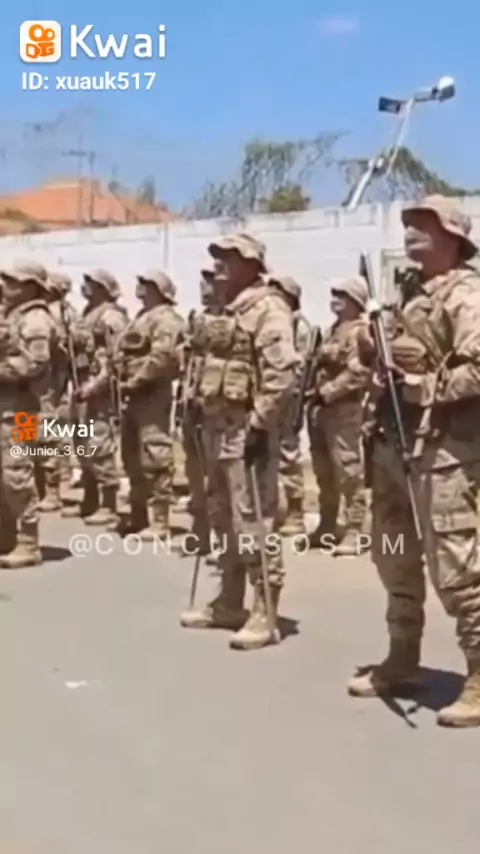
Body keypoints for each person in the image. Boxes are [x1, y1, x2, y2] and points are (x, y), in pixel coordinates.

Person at [348, 194, 480, 727]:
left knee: (458, 569)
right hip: (392, 445)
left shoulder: (466, 294)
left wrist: (424, 386)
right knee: (393, 555)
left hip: (444, 452)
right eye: (408, 223)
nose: (410, 231)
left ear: (453, 235)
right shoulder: (408, 295)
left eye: (424, 224)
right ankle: (402, 658)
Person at [180, 233, 299, 650]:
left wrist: (259, 425)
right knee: (221, 516)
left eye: (231, 257)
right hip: (213, 428)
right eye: (218, 257)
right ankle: (229, 600)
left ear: (253, 265)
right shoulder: (222, 310)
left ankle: (265, 610)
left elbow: (281, 375)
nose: (220, 264)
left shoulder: (268, 309)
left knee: (253, 521)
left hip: (246, 432)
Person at [116, 269, 185, 538]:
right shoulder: (141, 317)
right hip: (132, 394)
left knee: (155, 455)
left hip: (152, 394)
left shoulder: (166, 319)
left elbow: (161, 358)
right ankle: (138, 515)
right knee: (131, 456)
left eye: (146, 283)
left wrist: (135, 380)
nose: (140, 286)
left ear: (159, 289)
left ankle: (160, 521)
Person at [0, 261, 58, 568]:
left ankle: (28, 542)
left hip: (23, 410)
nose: (6, 286)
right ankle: (5, 536)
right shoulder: (10, 314)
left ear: (31, 287)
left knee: (17, 473)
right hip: (5, 405)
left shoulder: (36, 319)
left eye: (14, 281)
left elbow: (36, 363)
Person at [307, 277, 371, 555]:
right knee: (324, 471)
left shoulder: (360, 332)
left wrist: (328, 392)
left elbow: (359, 373)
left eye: (341, 295)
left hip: (344, 410)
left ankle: (355, 530)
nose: (335, 299)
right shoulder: (332, 330)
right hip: (322, 410)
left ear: (355, 300)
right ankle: (327, 524)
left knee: (348, 471)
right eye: (334, 294)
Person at [71, 268, 128, 527]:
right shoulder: (87, 313)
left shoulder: (111, 317)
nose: (85, 286)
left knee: (99, 445)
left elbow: (114, 359)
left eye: (91, 283)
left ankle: (109, 503)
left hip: (101, 391)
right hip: (83, 386)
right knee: (82, 443)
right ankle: (90, 497)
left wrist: (96, 385)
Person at [268, 275, 311, 536]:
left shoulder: (297, 325)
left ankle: (295, 512)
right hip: (269, 396)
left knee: (288, 455)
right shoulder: (272, 320)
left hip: (289, 397)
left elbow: (300, 365)